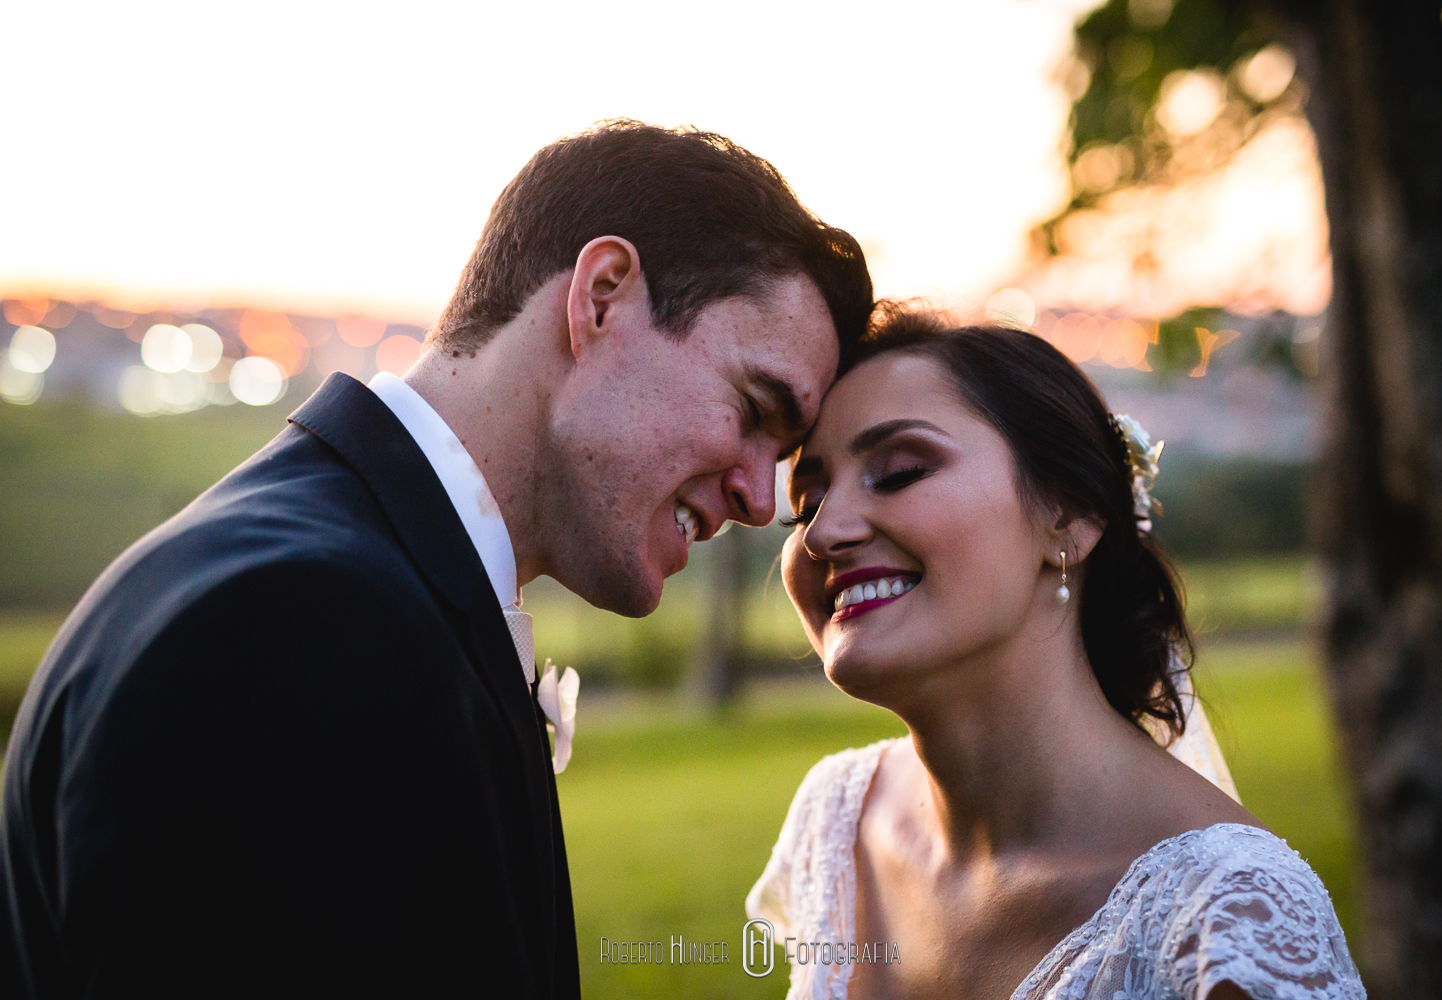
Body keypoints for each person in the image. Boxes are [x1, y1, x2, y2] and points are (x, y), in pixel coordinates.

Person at [0, 121, 874, 998]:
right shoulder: (300, 629)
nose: (764, 500)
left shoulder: (347, 583)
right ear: (602, 298)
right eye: (755, 410)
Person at [748, 308, 1364, 999]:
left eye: (898, 472)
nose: (825, 531)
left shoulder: (1228, 921)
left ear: (1068, 518)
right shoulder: (838, 820)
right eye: (804, 503)